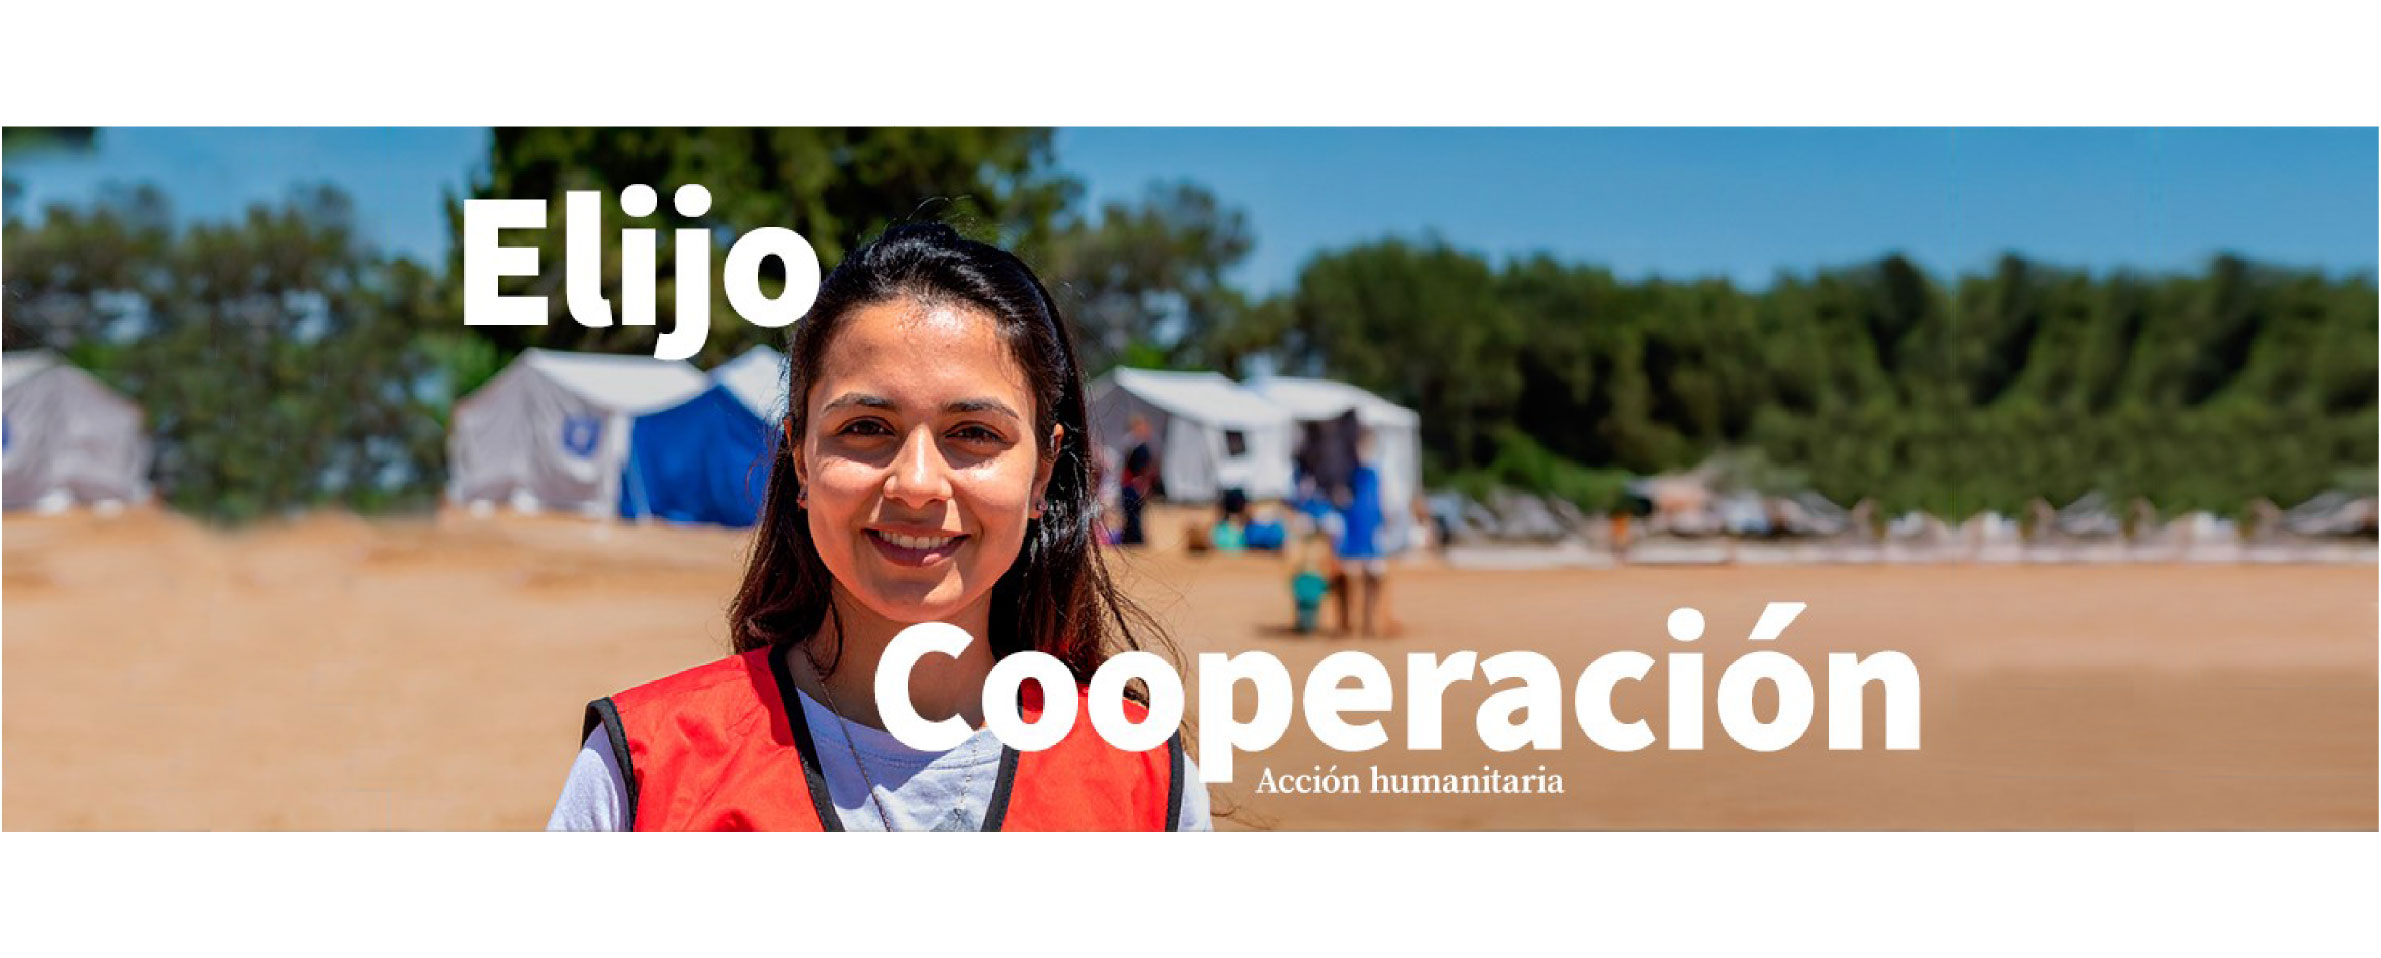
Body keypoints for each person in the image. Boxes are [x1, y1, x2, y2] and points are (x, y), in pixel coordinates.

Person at [548, 224, 1210, 831]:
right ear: (801, 459)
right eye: (866, 428)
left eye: (974, 433)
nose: (916, 483)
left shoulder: (1143, 779)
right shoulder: (642, 772)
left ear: (1041, 474)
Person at [1117, 415, 1159, 545]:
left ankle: (1135, 538)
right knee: (1130, 512)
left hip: (1135, 484)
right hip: (1131, 483)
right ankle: (1131, 538)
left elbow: (1145, 469)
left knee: (1134, 513)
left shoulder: (1140, 446)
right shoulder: (1133, 444)